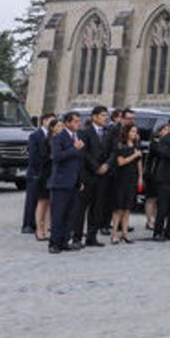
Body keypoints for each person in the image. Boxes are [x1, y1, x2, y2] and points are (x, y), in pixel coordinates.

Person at [75, 105, 112, 248]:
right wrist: (96, 167)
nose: (105, 118)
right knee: (81, 208)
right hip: (88, 174)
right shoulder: (85, 132)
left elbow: (113, 151)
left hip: (103, 175)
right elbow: (84, 153)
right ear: (94, 117)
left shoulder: (108, 132)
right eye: (102, 115)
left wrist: (107, 165)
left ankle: (92, 236)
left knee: (97, 207)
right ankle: (77, 237)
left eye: (106, 115)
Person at [48, 113, 84, 253]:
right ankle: (54, 243)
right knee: (58, 214)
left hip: (74, 182)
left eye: (78, 121)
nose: (78, 124)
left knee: (71, 214)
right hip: (60, 182)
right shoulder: (59, 137)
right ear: (67, 123)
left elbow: (79, 161)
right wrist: (74, 148)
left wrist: (80, 180)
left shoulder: (77, 136)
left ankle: (64, 241)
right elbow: (56, 157)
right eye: (75, 121)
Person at [109, 124, 143, 244]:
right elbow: (121, 162)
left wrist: (140, 177)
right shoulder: (120, 145)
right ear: (127, 132)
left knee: (128, 207)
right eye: (133, 131)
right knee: (118, 207)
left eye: (136, 131)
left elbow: (139, 162)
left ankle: (125, 232)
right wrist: (134, 155)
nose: (135, 134)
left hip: (132, 178)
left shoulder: (136, 145)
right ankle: (114, 233)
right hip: (120, 178)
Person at [22, 112, 53, 237]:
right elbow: (33, 154)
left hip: (47, 173)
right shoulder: (35, 135)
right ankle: (28, 224)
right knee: (32, 199)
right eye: (51, 121)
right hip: (36, 172)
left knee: (44, 200)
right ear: (44, 121)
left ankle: (42, 225)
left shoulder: (52, 136)